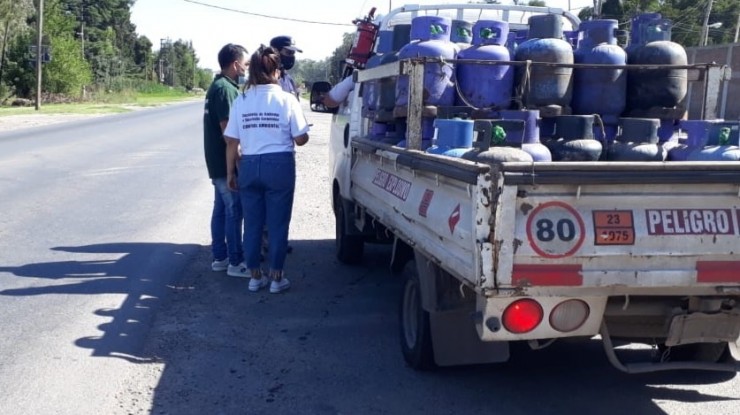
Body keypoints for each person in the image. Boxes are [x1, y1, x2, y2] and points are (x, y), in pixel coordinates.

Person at [224, 46, 310, 294]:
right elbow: (300, 138)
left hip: (249, 165)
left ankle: (254, 277)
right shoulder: (287, 99)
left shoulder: (242, 99)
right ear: (276, 70)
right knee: (278, 224)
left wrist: (231, 173)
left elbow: (232, 141)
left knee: (251, 224)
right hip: (279, 165)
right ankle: (276, 278)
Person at [203, 43, 250, 278]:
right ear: (235, 64)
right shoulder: (226, 90)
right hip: (224, 163)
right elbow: (228, 134)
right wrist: (239, 163)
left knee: (221, 209)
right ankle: (235, 261)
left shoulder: (219, 86)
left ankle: (220, 257)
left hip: (217, 161)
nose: (246, 67)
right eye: (245, 63)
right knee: (234, 211)